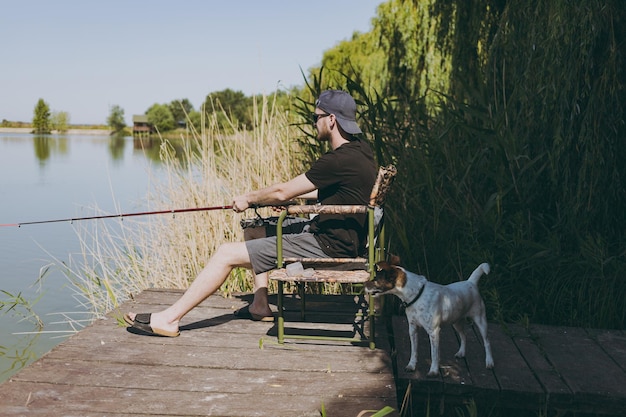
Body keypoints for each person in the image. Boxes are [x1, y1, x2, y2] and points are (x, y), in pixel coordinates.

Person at [125, 90, 377, 337]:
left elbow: (282, 191)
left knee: (225, 253)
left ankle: (169, 319)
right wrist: (285, 199)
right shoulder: (361, 151)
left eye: (316, 117)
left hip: (328, 246)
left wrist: (249, 198)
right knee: (254, 229)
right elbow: (339, 192)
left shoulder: (337, 160)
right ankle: (260, 304)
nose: (314, 123)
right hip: (339, 237)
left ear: (331, 119)